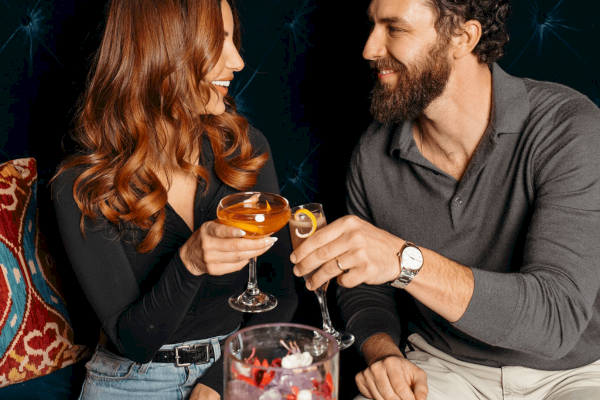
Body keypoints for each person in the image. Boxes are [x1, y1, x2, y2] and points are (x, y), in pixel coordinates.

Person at [290, 0, 600, 399]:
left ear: (463, 37)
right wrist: (383, 354)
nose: (369, 48)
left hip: (570, 375)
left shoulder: (568, 128)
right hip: (441, 368)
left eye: (395, 28)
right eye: (373, 26)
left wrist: (405, 260)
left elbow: (555, 319)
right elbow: (365, 285)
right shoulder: (372, 152)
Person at [52, 0, 297, 399]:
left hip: (238, 363)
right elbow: (132, 342)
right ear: (163, 52)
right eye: (218, 42)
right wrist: (190, 262)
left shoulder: (245, 149)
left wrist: (219, 381)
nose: (236, 61)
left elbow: (281, 295)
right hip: (131, 380)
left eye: (234, 40)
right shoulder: (81, 183)